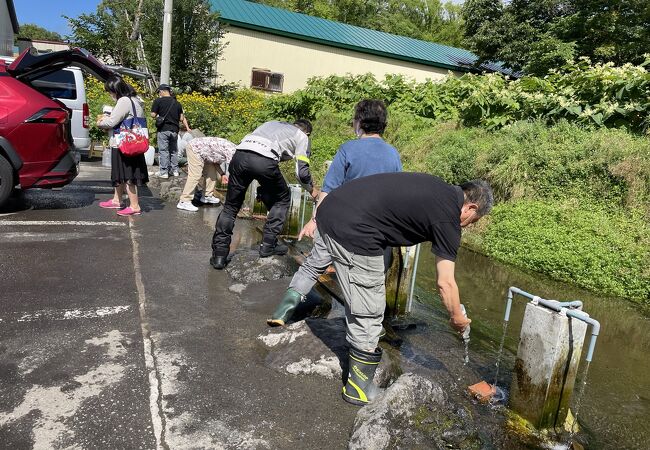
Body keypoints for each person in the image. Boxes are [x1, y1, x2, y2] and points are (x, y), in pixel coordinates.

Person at [314, 173, 493, 405]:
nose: (468, 226)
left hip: (335, 209)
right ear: (470, 207)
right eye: (474, 220)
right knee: (370, 307)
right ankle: (358, 388)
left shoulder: (438, 190)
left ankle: (362, 345)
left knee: (367, 290)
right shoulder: (449, 217)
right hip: (352, 225)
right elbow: (445, 282)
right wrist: (457, 318)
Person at [268, 100, 402, 327]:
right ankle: (371, 327)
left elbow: (328, 191)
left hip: (339, 223)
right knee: (372, 278)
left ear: (358, 122)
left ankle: (282, 312)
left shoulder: (348, 149)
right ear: (383, 124)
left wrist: (314, 220)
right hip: (375, 230)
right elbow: (395, 197)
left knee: (313, 265)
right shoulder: (393, 155)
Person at [210, 120, 318, 269]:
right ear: (307, 133)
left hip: (239, 156)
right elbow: (301, 173)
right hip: (264, 161)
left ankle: (219, 256)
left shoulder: (272, 123)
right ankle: (268, 246)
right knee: (283, 198)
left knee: (230, 207)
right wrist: (312, 190)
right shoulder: (302, 137)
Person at [96, 76, 149, 216]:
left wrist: (100, 121)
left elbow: (112, 122)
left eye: (110, 91)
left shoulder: (124, 101)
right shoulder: (135, 99)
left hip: (124, 144)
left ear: (116, 90)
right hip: (132, 141)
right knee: (120, 173)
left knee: (127, 175)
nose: (110, 94)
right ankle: (116, 200)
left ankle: (134, 206)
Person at [177, 137, 237, 212]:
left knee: (211, 172)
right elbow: (234, 171)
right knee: (195, 175)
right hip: (195, 148)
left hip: (205, 153)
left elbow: (215, 163)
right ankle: (184, 201)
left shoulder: (235, 150)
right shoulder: (232, 152)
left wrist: (222, 174)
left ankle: (207, 196)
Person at [151, 84, 190, 178]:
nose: (159, 94)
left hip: (163, 129)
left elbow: (153, 115)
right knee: (173, 150)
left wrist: (158, 116)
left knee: (163, 151)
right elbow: (181, 118)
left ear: (162, 91)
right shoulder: (177, 103)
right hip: (175, 130)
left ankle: (164, 172)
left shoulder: (158, 101)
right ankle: (175, 170)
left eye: (159, 92)